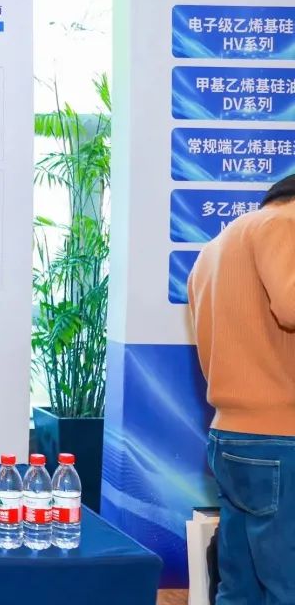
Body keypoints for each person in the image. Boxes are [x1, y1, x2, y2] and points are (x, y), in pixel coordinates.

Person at [187, 174, 295, 605]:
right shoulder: (284, 224)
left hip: (229, 436)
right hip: (282, 437)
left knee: (238, 587)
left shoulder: (214, 248)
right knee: (287, 585)